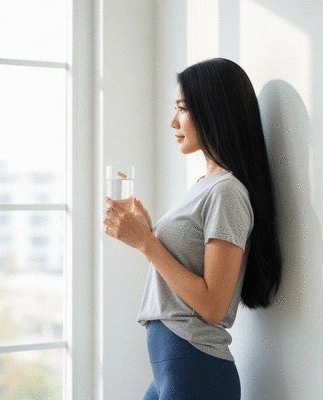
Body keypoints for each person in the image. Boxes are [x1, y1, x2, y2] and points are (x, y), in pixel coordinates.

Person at [103, 58, 282, 400]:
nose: (173, 121)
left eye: (182, 109)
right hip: (174, 369)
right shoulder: (207, 185)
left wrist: (147, 243)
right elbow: (186, 276)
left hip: (194, 369)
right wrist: (148, 234)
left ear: (213, 111)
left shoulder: (227, 192)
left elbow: (214, 306)